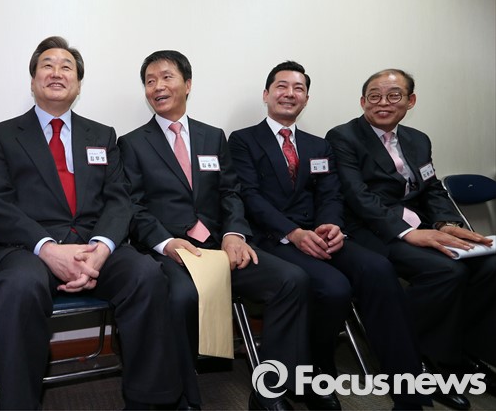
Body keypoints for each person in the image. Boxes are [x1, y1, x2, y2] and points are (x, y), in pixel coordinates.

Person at [0, 36, 181, 410]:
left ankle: (148, 402)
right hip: (30, 249)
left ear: (78, 83)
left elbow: (119, 199)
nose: (57, 72)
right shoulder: (2, 136)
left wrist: (101, 249)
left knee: (147, 274)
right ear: (33, 80)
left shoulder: (101, 134)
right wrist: (48, 249)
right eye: (47, 65)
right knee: (18, 288)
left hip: (93, 244)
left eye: (66, 66)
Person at [229, 60, 431, 410]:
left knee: (378, 268)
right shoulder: (242, 140)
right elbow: (249, 196)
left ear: (306, 99)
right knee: (334, 288)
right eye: (281, 86)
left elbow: (331, 194)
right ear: (266, 94)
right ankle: (315, 371)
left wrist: (331, 225)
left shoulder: (318, 145)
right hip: (273, 238)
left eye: (298, 88)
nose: (289, 94)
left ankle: (408, 386)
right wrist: (292, 233)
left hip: (319, 233)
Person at [118, 50, 311, 411]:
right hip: (171, 251)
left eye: (167, 77)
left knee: (291, 280)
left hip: (219, 247)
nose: (158, 87)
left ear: (188, 84)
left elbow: (230, 193)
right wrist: (165, 243)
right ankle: (185, 400)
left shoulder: (213, 136)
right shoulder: (131, 144)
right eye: (150, 81)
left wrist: (235, 234)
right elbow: (133, 206)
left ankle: (270, 391)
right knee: (180, 298)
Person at [326, 68, 496, 409]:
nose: (383, 103)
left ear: (410, 100)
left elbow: (432, 188)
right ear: (362, 101)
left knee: (488, 264)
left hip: (421, 225)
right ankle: (427, 362)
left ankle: (464, 352)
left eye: (394, 95)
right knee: (446, 272)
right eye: (374, 96)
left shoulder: (418, 139)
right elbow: (358, 196)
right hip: (373, 230)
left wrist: (446, 223)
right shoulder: (343, 137)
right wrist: (407, 232)